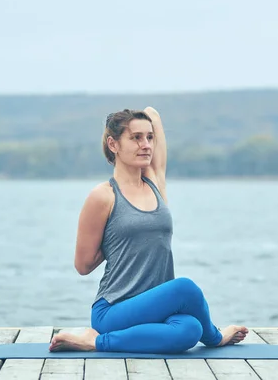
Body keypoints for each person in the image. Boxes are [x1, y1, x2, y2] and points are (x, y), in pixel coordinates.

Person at [49, 107, 248, 354]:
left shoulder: (155, 182)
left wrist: (142, 119)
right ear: (113, 144)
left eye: (149, 137)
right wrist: (114, 237)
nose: (146, 145)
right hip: (113, 310)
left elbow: (153, 113)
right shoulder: (103, 196)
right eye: (135, 138)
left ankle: (96, 341)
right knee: (185, 288)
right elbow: (83, 265)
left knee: (190, 329)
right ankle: (216, 337)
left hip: (159, 310)